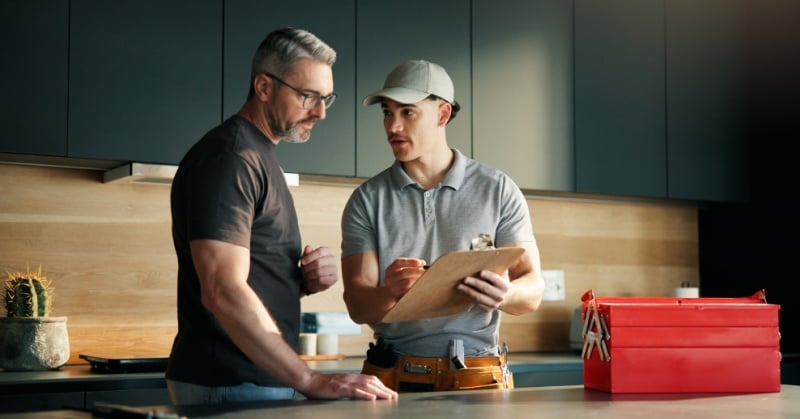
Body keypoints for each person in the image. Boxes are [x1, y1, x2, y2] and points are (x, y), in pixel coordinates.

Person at [166, 27, 398, 404]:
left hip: (250, 382)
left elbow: (247, 272)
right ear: (263, 87)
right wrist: (309, 379)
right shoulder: (232, 159)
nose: (321, 112)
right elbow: (221, 290)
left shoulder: (259, 157)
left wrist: (300, 280)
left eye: (326, 99)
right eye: (308, 96)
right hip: (229, 383)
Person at [340, 60, 546, 392]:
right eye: (387, 112)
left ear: (442, 114)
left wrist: (507, 294)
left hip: (479, 377)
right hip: (391, 378)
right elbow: (357, 304)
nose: (393, 126)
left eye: (407, 112)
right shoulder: (367, 200)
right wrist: (389, 293)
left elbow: (533, 289)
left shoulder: (498, 189)